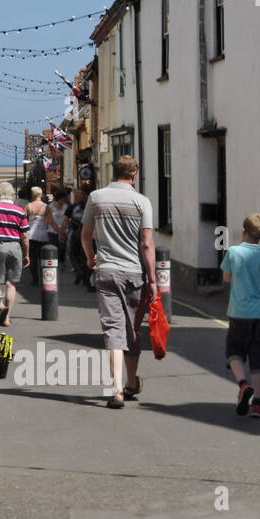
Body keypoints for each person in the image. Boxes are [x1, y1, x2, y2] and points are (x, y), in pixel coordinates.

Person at [81, 156, 155, 409]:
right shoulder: (142, 201)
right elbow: (146, 243)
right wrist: (153, 279)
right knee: (132, 330)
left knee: (113, 329)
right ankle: (131, 380)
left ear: (114, 172)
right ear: (134, 174)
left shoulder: (97, 197)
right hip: (134, 273)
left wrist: (91, 257)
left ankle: (117, 389)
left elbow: (86, 235)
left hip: (107, 271)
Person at [222, 213, 260, 419]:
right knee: (258, 360)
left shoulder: (233, 252)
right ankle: (256, 403)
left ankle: (242, 383)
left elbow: (226, 278)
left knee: (234, 352)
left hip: (239, 314)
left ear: (244, 231)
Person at [0, 181, 30, 326]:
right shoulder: (19, 210)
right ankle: (6, 318)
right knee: (11, 283)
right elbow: (24, 236)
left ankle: (0, 307)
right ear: (12, 194)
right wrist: (26, 254)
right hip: (15, 247)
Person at [67, 187, 93, 288]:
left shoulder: (72, 207)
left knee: (73, 254)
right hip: (89, 234)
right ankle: (85, 278)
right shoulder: (90, 207)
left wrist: (63, 232)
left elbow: (66, 220)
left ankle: (79, 272)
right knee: (85, 255)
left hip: (76, 233)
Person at [24, 186, 49, 286]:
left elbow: (23, 221)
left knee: (33, 258)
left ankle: (35, 278)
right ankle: (44, 278)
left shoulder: (28, 206)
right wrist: (59, 232)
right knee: (43, 258)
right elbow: (49, 222)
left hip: (31, 235)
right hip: (43, 234)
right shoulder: (46, 207)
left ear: (33, 194)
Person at [45, 185, 70, 263]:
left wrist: (63, 231)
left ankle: (62, 263)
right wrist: (59, 233)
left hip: (63, 231)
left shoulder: (66, 206)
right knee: (53, 249)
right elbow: (51, 221)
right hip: (52, 231)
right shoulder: (50, 207)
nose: (64, 201)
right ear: (58, 199)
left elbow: (67, 219)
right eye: (63, 199)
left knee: (62, 249)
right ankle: (53, 264)